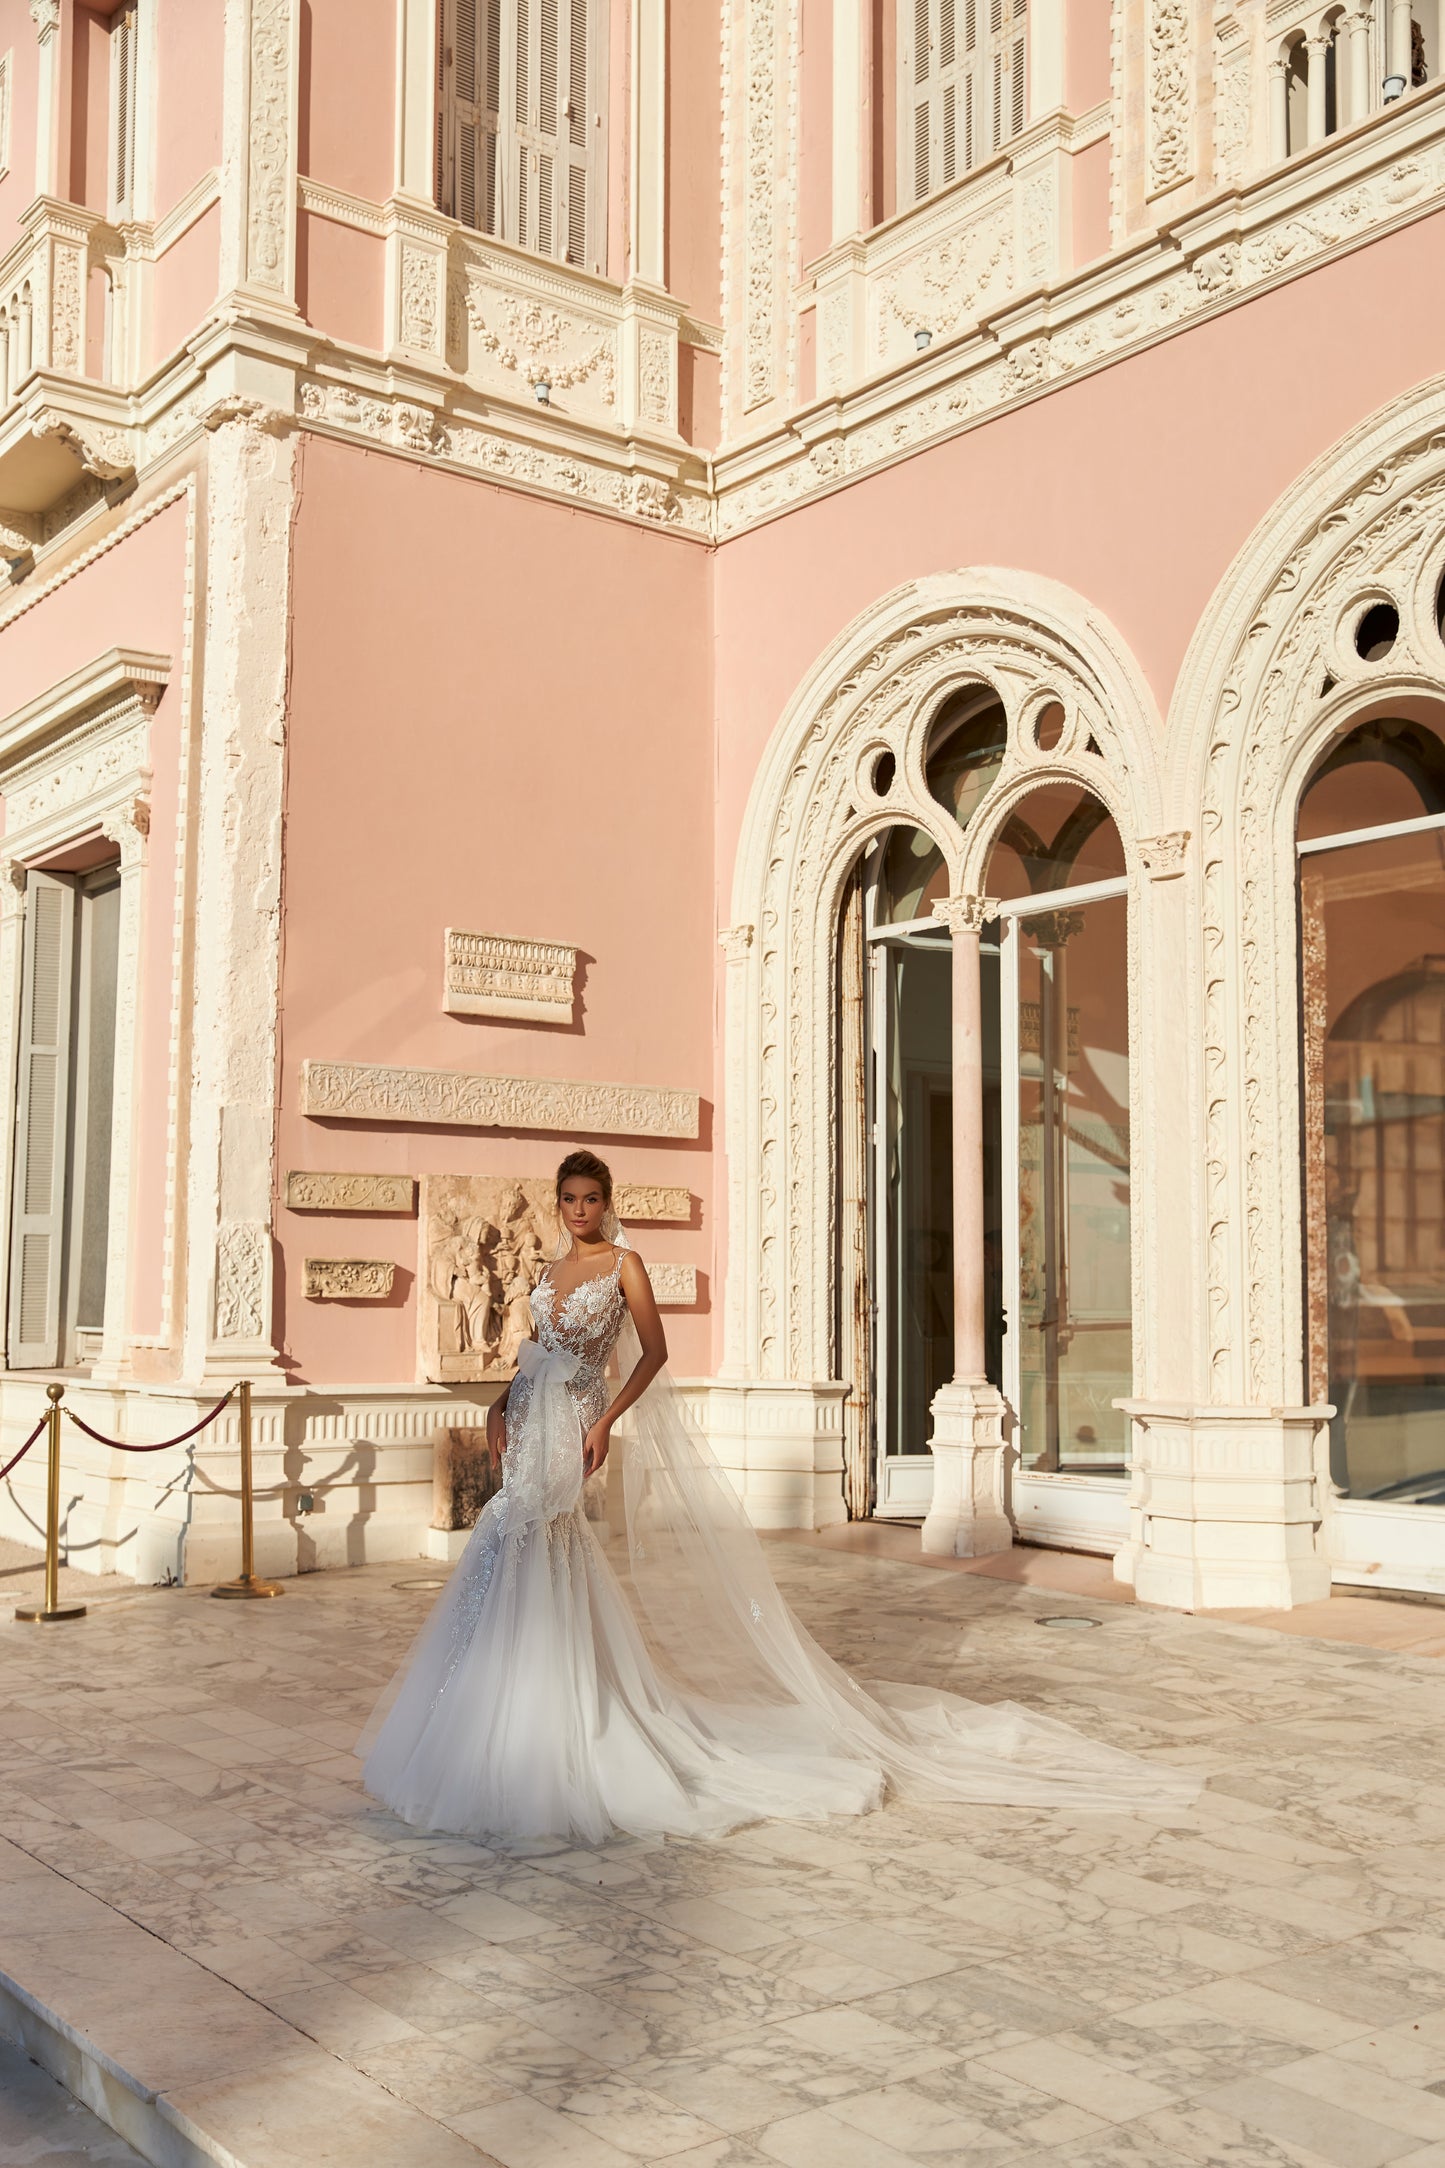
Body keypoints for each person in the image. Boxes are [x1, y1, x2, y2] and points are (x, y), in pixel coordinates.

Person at [363, 1150, 1196, 1844]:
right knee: (519, 1538)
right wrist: (499, 1402)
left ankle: (553, 1721)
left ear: (607, 1203)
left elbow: (651, 1354)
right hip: (529, 1412)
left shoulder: (625, 1266)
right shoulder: (548, 1271)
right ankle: (512, 1715)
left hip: (574, 1419)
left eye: (592, 1199)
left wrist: (605, 1422)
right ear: (558, 1204)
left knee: (531, 1530)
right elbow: (531, 1352)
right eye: (569, 1200)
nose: (580, 1210)